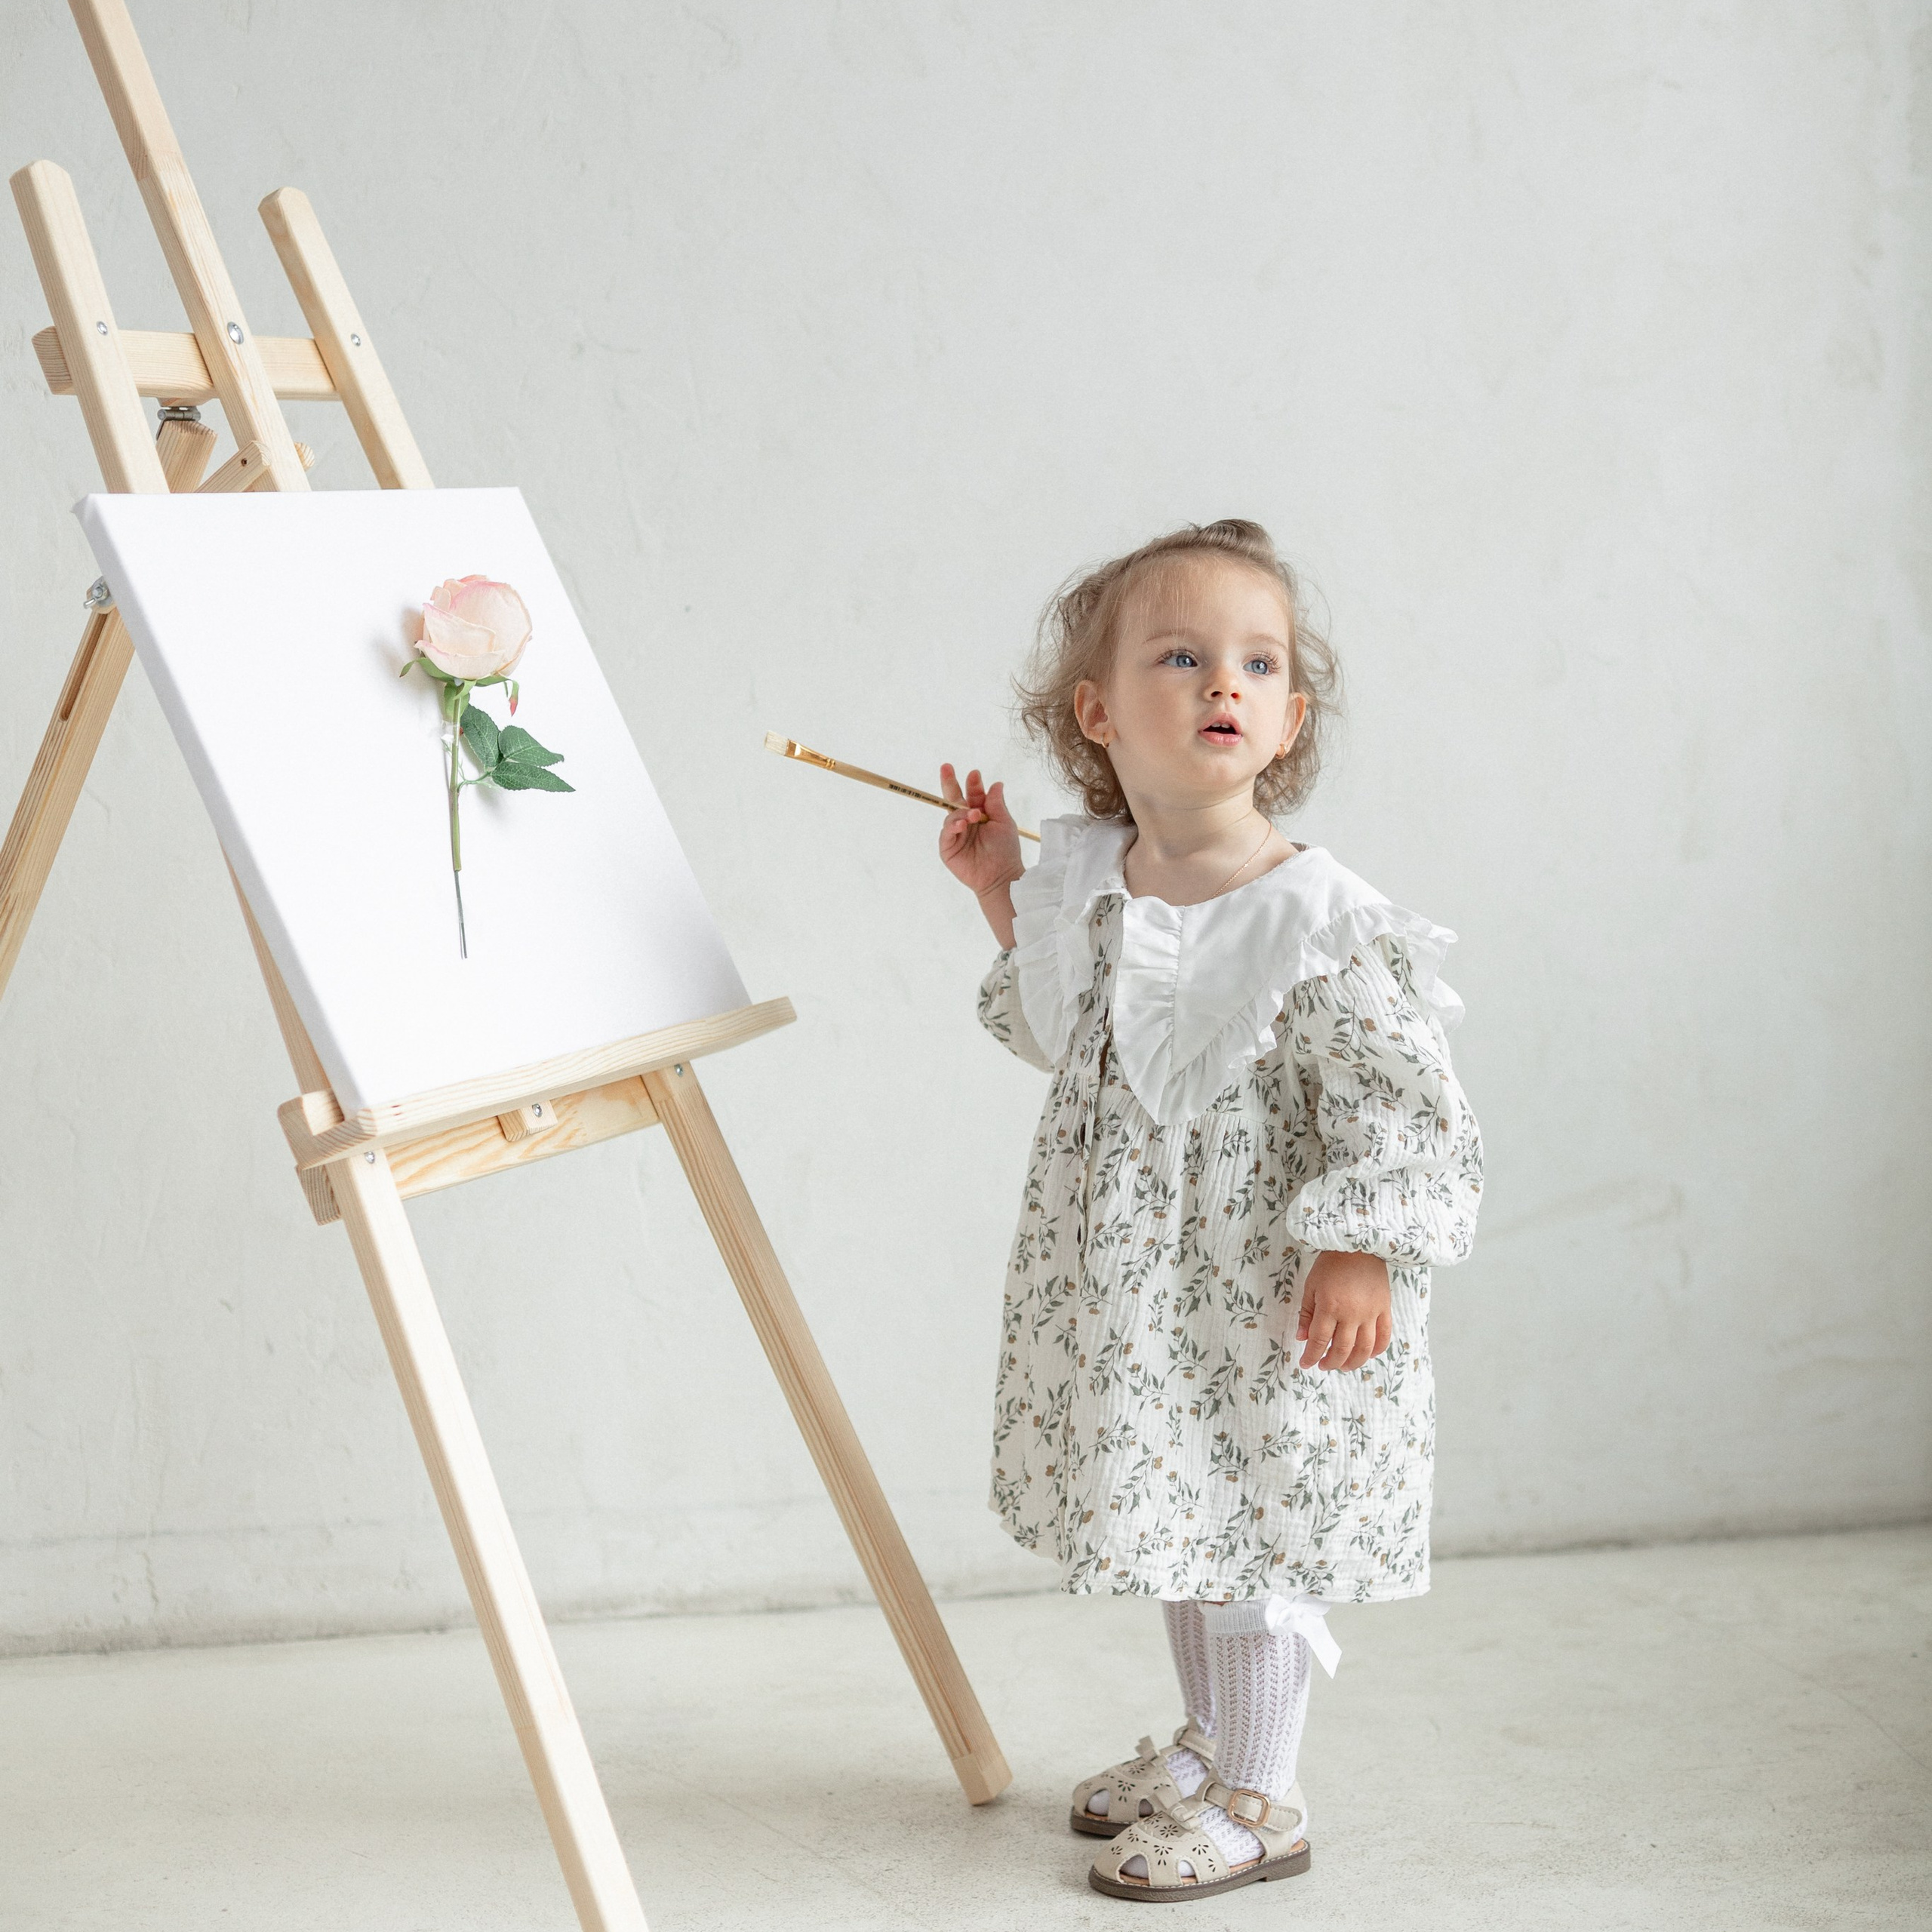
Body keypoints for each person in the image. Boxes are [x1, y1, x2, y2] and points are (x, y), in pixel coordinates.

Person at [939, 520, 1483, 1903]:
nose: (1220, 683)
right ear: (1099, 712)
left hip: (1267, 1289)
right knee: (1184, 1513)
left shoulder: (1317, 916)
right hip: (1141, 1292)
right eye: (1179, 657)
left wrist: (1361, 1245)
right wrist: (1006, 889)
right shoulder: (1106, 886)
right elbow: (1068, 1031)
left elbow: (1404, 1105)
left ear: (1290, 716)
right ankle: (1211, 1739)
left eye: (1257, 662)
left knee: (1253, 1528)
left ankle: (1264, 1795)